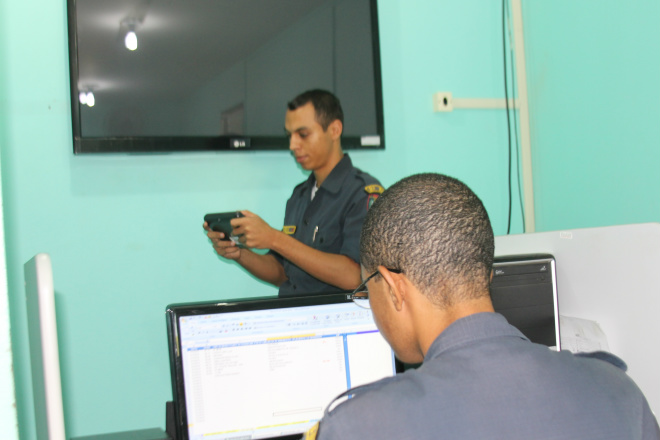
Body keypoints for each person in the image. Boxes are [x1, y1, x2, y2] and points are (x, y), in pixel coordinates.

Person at [312, 173, 660, 439]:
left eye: (367, 288)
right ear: (486, 274)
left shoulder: (360, 425)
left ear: (394, 287)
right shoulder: (618, 390)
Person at [205, 89, 383, 297]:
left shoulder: (363, 194)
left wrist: (274, 238)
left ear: (334, 130)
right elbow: (283, 273)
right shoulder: (300, 196)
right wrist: (239, 254)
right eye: (289, 135)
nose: (292, 145)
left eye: (303, 134)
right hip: (292, 320)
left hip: (333, 321)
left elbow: (356, 277)